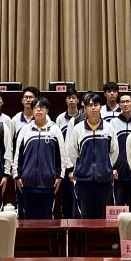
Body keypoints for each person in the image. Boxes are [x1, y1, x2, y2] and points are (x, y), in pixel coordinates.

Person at [13, 96, 70, 218]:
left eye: (42, 107)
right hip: (27, 183)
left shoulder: (55, 130)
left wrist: (59, 176)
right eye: (36, 108)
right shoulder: (25, 130)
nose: (38, 110)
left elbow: (62, 155)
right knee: (28, 219)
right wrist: (17, 175)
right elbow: (18, 154)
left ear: (47, 110)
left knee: (47, 218)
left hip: (48, 183)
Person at [65, 93, 119, 218]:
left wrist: (106, 167)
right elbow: (72, 152)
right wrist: (81, 166)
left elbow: (114, 151)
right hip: (83, 181)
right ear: (85, 108)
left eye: (96, 105)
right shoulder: (78, 129)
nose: (93, 108)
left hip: (104, 180)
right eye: (90, 105)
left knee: (102, 217)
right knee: (85, 217)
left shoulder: (109, 128)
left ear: (100, 107)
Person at [54, 84, 82, 217]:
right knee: (66, 195)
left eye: (73, 98)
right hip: (64, 163)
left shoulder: (82, 118)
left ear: (78, 100)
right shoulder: (60, 118)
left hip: (79, 162)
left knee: (78, 196)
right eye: (69, 98)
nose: (71, 100)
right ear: (65, 100)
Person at [109, 92, 131, 208]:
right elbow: (109, 147)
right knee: (118, 207)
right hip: (118, 172)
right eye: (122, 102)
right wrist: (112, 167)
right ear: (119, 105)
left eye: (127, 101)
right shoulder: (113, 123)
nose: (125, 104)